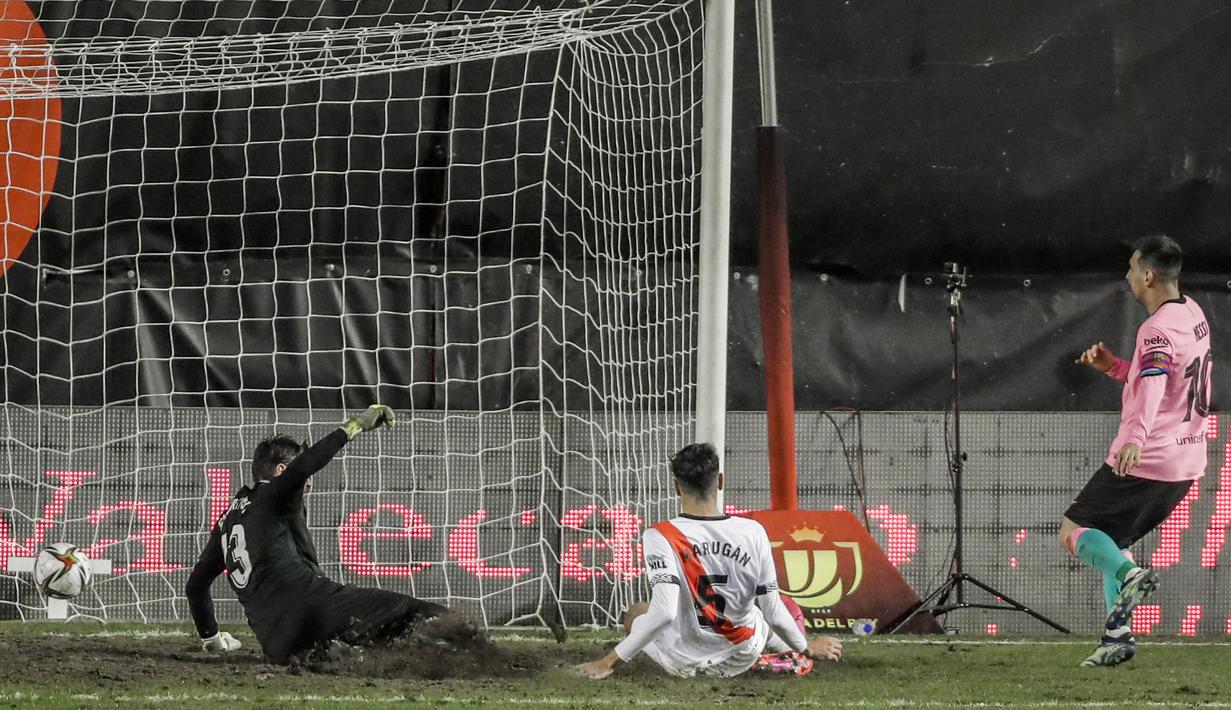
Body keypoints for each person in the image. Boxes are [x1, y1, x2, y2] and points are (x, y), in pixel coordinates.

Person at [186, 404, 449, 663]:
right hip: (313, 608)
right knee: (417, 612)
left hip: (277, 643)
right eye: (304, 478)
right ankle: (477, 652)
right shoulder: (275, 493)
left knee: (362, 643)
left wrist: (213, 640)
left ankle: (340, 652)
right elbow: (302, 468)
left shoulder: (225, 521)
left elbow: (195, 587)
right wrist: (354, 426)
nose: (309, 483)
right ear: (280, 471)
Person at [1062, 235, 1211, 667]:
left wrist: (1134, 439)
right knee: (1113, 540)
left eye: (1130, 268)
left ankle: (1132, 576)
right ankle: (1117, 635)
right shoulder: (1193, 313)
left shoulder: (1156, 329)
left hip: (1150, 457)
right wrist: (1115, 368)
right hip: (1187, 460)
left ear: (1148, 275)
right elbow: (1165, 378)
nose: (1127, 275)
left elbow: (1152, 388)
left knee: (1073, 531)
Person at [576, 443, 842, 679]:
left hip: (682, 663)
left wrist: (607, 662)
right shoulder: (753, 531)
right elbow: (772, 610)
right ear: (721, 481)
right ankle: (795, 655)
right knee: (759, 614)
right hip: (741, 655)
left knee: (637, 612)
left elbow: (664, 612)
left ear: (676, 488)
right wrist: (808, 646)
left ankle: (777, 655)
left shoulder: (660, 535)